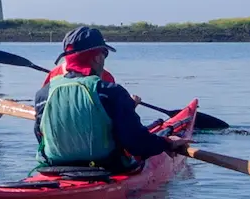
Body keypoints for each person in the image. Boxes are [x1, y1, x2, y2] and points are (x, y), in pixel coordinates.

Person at [32, 26, 186, 171]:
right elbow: (137, 144)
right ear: (98, 57)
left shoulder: (43, 94)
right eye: (105, 54)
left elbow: (40, 136)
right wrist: (166, 143)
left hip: (55, 167)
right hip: (105, 167)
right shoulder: (111, 92)